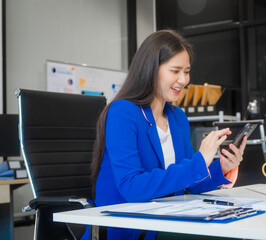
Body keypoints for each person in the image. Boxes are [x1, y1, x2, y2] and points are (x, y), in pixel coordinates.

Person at [82, 29, 247, 240]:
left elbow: (190, 183)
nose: (183, 79)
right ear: (151, 70)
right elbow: (131, 187)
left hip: (166, 220)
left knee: (240, 226)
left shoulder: (178, 117)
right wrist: (200, 160)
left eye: (186, 71)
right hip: (130, 227)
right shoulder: (123, 112)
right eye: (175, 70)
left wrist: (222, 167)